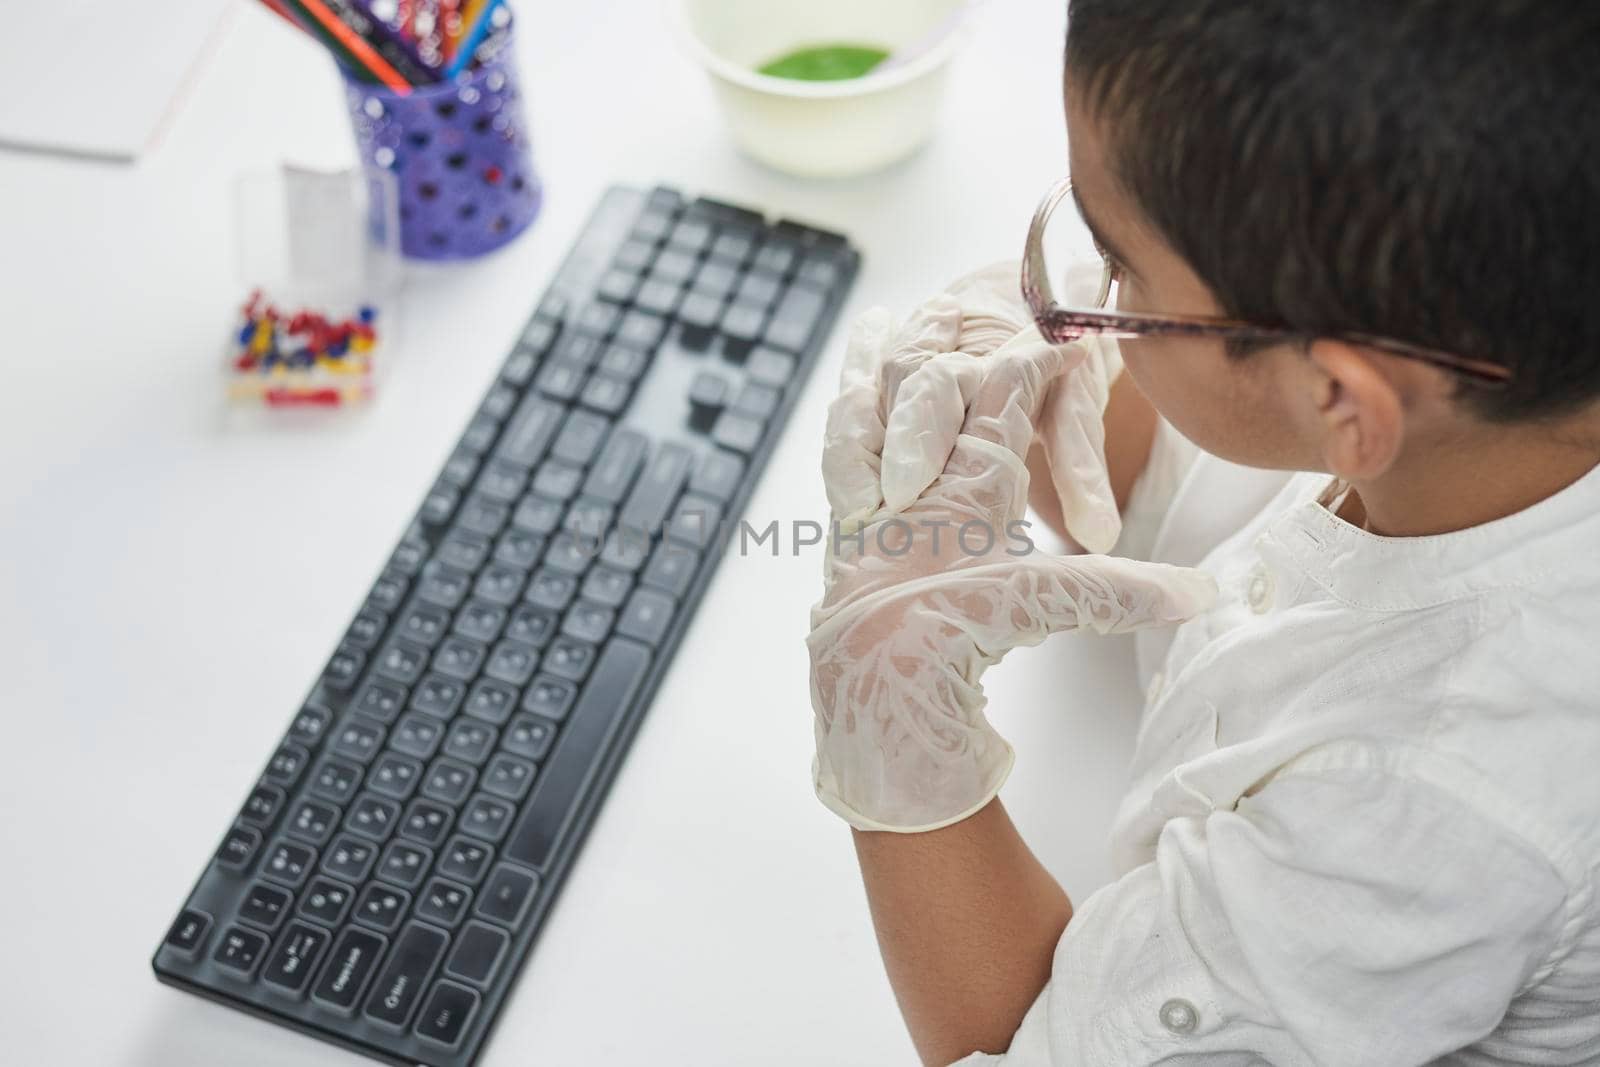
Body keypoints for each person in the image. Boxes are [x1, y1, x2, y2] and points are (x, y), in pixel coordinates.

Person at [806, 1, 1600, 1063]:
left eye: (1116, 264)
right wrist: (1023, 371)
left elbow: (1036, 1047)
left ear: (1339, 398)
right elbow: (1183, 472)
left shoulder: (1430, 804)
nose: (1092, 294)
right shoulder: (1471, 401)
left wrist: (895, 743)